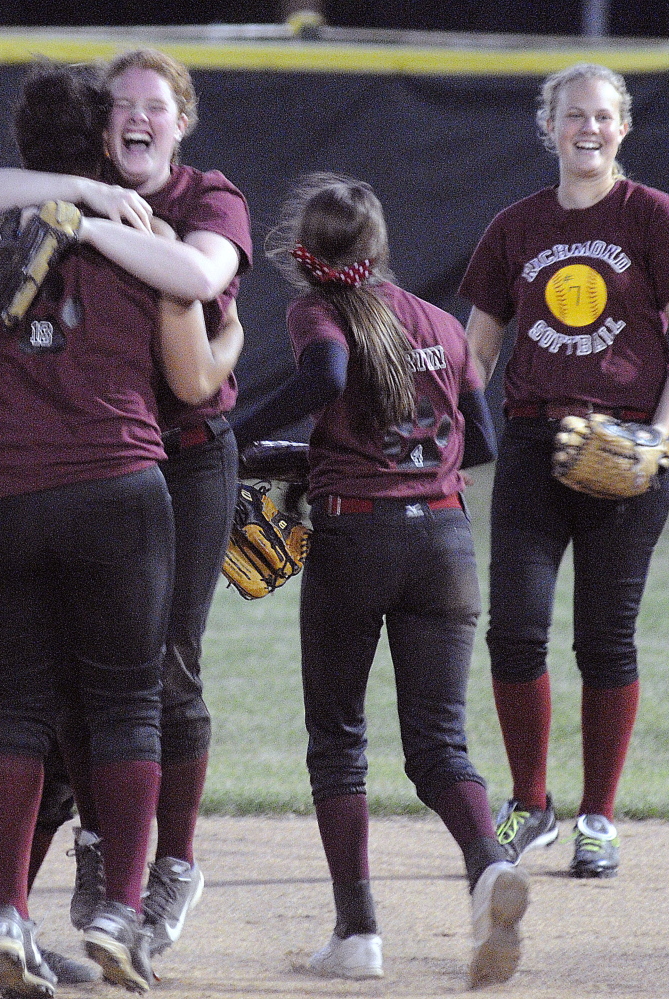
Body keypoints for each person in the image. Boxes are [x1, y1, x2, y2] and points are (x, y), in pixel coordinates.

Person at [0, 59, 242, 999]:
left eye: (155, 107)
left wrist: (69, 201)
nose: (140, 119)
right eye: (124, 108)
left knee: (18, 710)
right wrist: (233, 336)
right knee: (126, 700)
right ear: (105, 133)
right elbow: (194, 368)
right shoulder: (140, 234)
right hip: (116, 483)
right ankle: (120, 903)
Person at [231, 172, 529, 988]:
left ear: (305, 253)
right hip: (444, 539)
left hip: (357, 537)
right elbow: (481, 445)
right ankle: (487, 867)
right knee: (439, 744)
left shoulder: (316, 312)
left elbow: (326, 376)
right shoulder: (437, 321)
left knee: (339, 742)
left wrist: (235, 435)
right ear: (379, 247)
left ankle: (358, 933)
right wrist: (330, 456)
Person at [459, 63, 669, 879]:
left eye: (603, 116)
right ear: (549, 127)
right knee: (514, 628)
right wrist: (449, 437)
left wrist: (658, 437)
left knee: (605, 639)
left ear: (624, 127)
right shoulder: (515, 226)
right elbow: (476, 352)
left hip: (629, 448)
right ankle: (532, 805)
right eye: (574, 116)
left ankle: (599, 816)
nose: (589, 129)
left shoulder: (653, 216)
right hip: (537, 445)